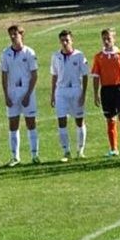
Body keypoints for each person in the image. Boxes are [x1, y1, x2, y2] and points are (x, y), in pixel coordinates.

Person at [0, 24, 40, 165]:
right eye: (10, 34)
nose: (12, 37)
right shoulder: (5, 53)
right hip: (12, 93)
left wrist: (28, 94)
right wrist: (6, 95)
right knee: (13, 124)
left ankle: (34, 155)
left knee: (31, 123)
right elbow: (4, 75)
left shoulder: (29, 52)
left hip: (27, 92)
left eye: (15, 34)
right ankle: (15, 157)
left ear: (21, 35)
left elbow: (34, 75)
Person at [49, 29, 90, 161]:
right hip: (61, 91)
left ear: (72, 40)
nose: (65, 43)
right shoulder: (56, 56)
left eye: (67, 40)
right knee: (62, 121)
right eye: (62, 40)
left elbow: (85, 75)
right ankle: (66, 151)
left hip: (76, 90)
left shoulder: (79, 56)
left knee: (79, 121)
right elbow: (54, 75)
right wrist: (52, 94)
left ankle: (80, 150)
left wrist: (83, 94)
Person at [91, 28, 120, 156]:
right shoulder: (98, 57)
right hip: (106, 90)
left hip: (119, 88)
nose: (106, 41)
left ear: (114, 39)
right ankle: (113, 148)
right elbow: (96, 76)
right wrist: (95, 93)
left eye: (109, 38)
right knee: (110, 119)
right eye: (104, 39)